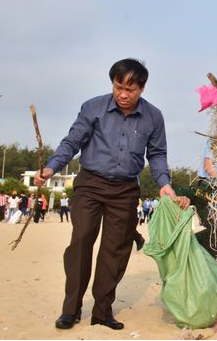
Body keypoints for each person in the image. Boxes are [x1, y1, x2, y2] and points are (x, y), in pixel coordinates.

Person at [34, 58, 190, 331]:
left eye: (130, 90)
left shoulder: (154, 117)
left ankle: (102, 312)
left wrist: (164, 182)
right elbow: (72, 142)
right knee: (81, 241)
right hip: (90, 185)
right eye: (118, 87)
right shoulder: (93, 107)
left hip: (125, 190)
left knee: (115, 250)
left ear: (142, 88)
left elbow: (156, 154)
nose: (123, 95)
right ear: (113, 84)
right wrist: (51, 167)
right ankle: (70, 309)